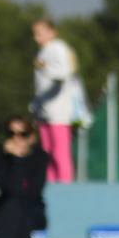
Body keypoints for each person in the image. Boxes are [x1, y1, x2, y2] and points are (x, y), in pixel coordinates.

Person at [30, 19, 83, 183]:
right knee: (47, 150)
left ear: (52, 32)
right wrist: (36, 105)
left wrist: (46, 68)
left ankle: (65, 184)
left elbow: (64, 73)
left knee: (60, 150)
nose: (37, 37)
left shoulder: (58, 48)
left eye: (41, 33)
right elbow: (41, 85)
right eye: (35, 34)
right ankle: (51, 182)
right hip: (45, 109)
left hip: (59, 109)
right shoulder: (42, 52)